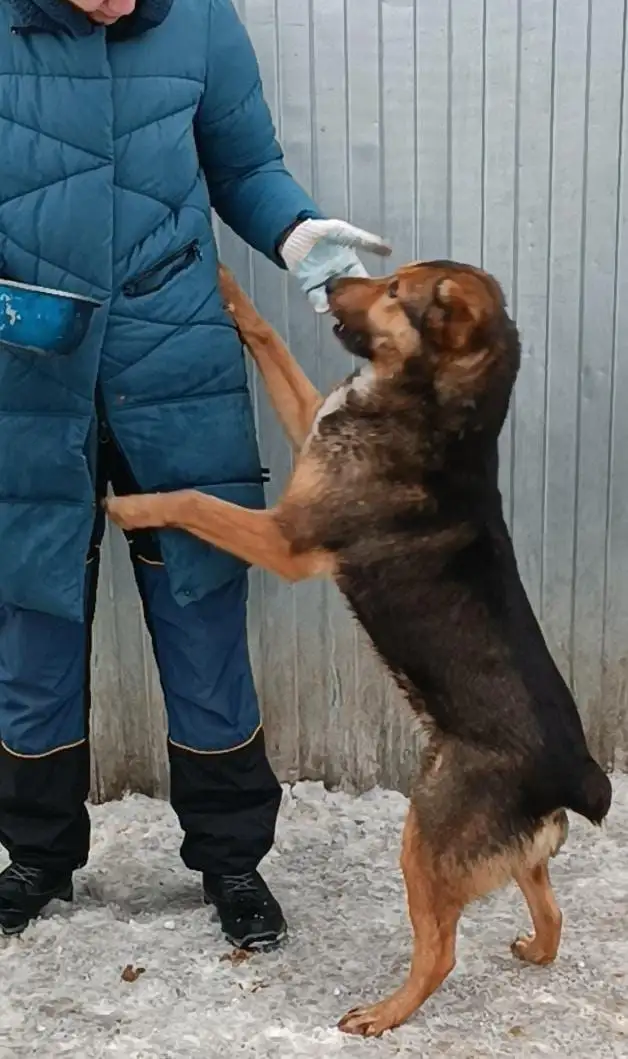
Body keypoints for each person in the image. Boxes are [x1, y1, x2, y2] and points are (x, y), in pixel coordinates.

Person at [0, 0, 388, 947]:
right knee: (32, 624)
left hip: (177, 368)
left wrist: (301, 239)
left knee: (203, 617)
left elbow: (245, 167)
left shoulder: (202, 24)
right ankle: (38, 856)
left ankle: (231, 860)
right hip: (25, 376)